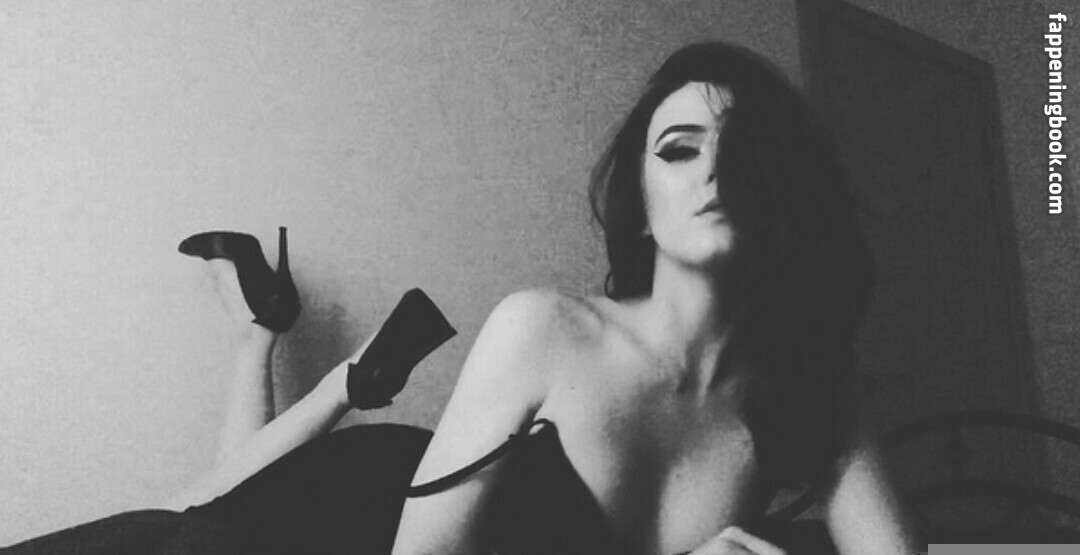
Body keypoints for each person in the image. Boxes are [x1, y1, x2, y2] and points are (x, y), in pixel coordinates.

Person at [6, 41, 921, 555]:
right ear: (640, 210)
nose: (715, 167)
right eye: (678, 149)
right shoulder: (548, 328)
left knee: (197, 507)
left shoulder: (819, 398)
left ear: (790, 187)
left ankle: (270, 335)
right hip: (354, 521)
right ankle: (282, 343)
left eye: (747, 148)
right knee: (189, 526)